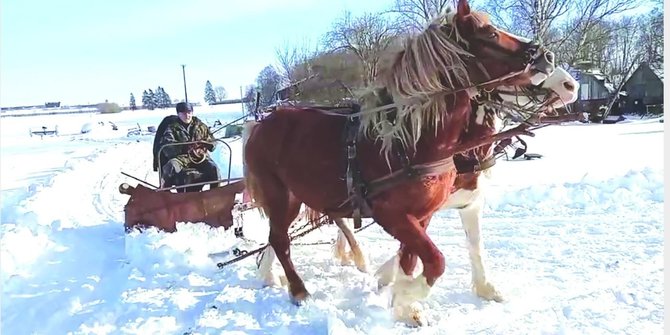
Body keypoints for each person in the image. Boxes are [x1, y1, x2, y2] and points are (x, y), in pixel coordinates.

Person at [156, 102, 220, 189]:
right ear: (178, 114)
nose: (187, 115)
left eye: (189, 112)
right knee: (170, 166)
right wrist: (184, 147)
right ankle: (164, 193)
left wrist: (206, 144)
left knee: (214, 168)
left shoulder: (201, 126)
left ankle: (215, 194)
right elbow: (167, 147)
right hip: (181, 158)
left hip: (200, 157)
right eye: (183, 113)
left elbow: (213, 143)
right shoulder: (172, 128)